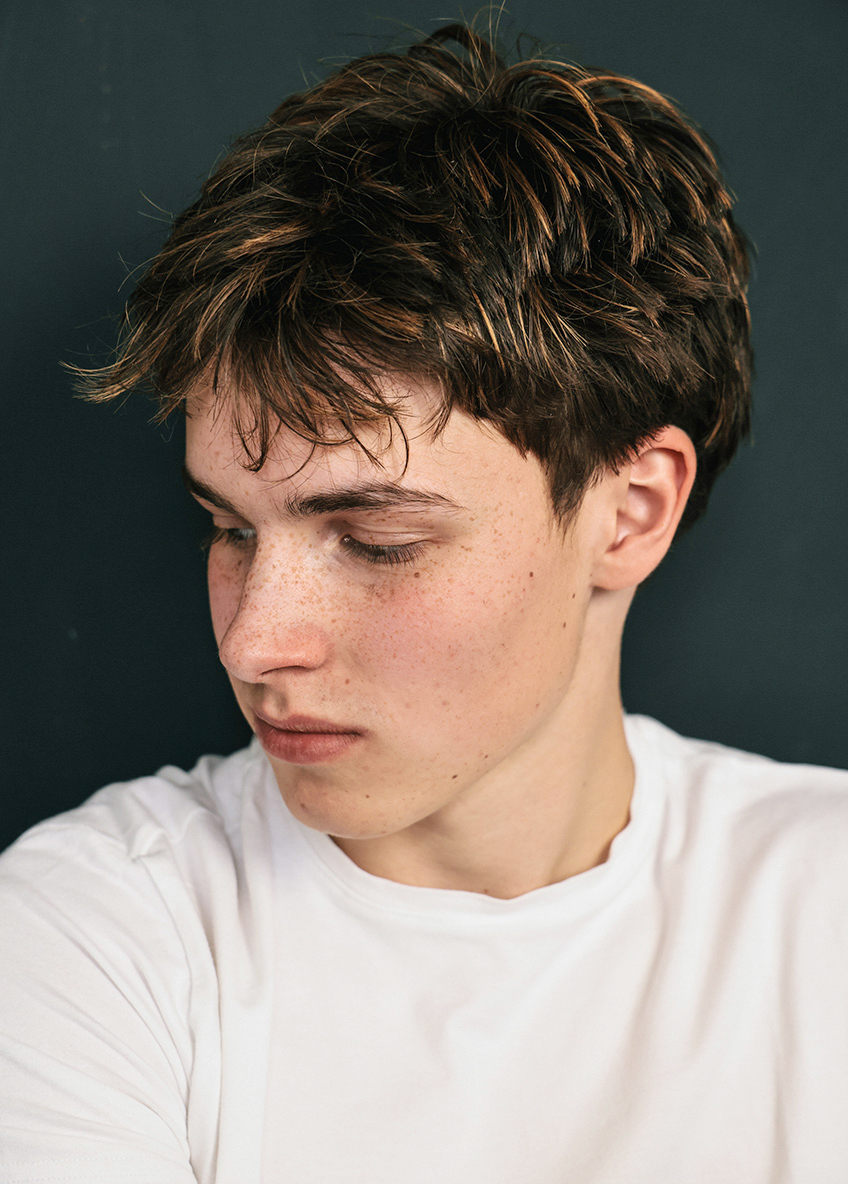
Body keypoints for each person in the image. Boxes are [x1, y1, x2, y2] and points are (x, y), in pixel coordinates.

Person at [1, 21, 846, 1184]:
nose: (251, 641)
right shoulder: (94, 937)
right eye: (230, 527)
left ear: (629, 511)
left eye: (376, 540)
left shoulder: (820, 904)